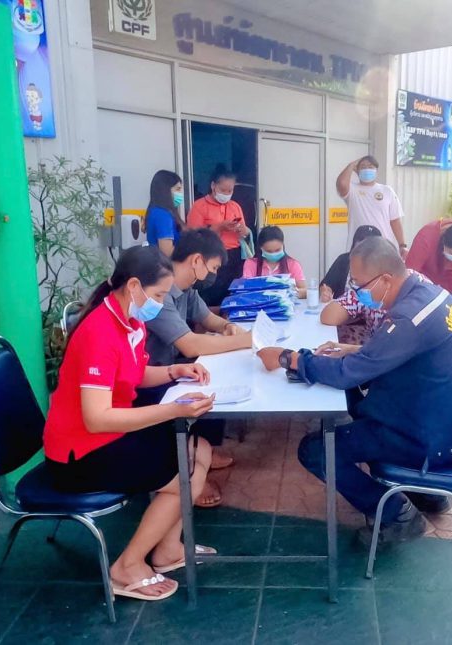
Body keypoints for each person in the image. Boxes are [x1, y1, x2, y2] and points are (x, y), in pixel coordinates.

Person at [258, 237, 452, 546]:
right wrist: (356, 351)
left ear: (386, 279)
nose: (358, 293)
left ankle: (397, 515)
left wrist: (289, 358)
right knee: (355, 399)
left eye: (360, 285)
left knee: (316, 450)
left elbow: (346, 374)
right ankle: (427, 494)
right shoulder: (425, 291)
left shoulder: (408, 317)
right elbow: (405, 351)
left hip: (433, 438)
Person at [44, 246, 216, 602]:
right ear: (134, 286)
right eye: (158, 295)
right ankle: (127, 566)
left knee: (199, 449)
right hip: (79, 454)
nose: (160, 303)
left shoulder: (129, 320)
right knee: (182, 477)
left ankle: (167, 549)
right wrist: (173, 410)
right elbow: (97, 418)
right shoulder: (99, 332)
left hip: (109, 436)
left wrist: (174, 371)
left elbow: (133, 374)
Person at [142, 229, 252, 508]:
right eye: (212, 267)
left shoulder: (187, 291)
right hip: (149, 377)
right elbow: (190, 345)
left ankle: (203, 451)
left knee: (214, 374)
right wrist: (244, 341)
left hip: (171, 367)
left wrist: (227, 327)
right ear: (196, 260)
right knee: (206, 384)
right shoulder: (160, 294)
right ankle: (191, 467)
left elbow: (207, 318)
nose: (213, 274)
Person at [187, 166, 251, 307]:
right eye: (223, 190)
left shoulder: (235, 206)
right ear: (213, 186)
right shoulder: (199, 206)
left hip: (233, 256)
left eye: (230, 191)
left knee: (233, 295)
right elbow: (194, 236)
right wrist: (219, 227)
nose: (226, 194)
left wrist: (243, 230)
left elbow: (244, 232)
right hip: (209, 256)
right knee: (211, 296)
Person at [336, 156, 407, 255]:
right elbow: (341, 184)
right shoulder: (352, 190)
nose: (367, 169)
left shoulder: (387, 191)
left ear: (376, 170)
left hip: (384, 248)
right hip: (358, 248)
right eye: (363, 167)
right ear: (357, 171)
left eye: (370, 167)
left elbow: (395, 220)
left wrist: (402, 245)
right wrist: (351, 165)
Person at [319, 224, 382, 302]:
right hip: (340, 307)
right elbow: (326, 284)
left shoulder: (383, 267)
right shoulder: (343, 260)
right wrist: (326, 292)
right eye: (359, 247)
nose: (363, 252)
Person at [244, 225, 307, 298]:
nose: (273, 254)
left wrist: (291, 293)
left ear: (283, 245)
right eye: (269, 251)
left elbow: (304, 291)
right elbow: (246, 290)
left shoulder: (293, 264)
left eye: (277, 250)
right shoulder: (251, 264)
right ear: (261, 248)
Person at [145, 170, 185, 258]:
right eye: (178, 189)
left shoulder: (156, 211)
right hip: (165, 264)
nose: (181, 193)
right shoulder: (163, 215)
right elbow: (167, 251)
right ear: (165, 191)